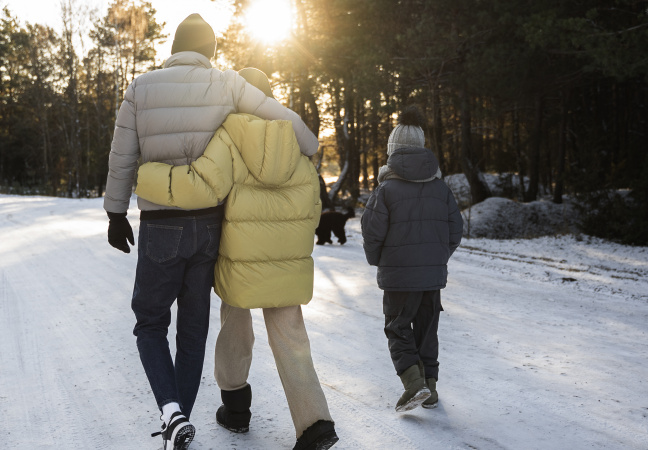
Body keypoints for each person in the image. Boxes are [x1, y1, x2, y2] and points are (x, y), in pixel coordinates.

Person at [103, 14, 319, 450]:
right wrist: (309, 144)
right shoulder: (225, 84)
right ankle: (177, 423)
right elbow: (276, 116)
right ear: (211, 52)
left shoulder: (141, 87)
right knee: (194, 330)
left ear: (174, 48)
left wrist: (115, 211)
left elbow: (122, 153)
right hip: (208, 226)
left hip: (161, 224)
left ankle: (172, 414)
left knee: (150, 322)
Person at [135, 68, 338, 450]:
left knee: (234, 326)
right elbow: (313, 205)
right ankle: (315, 424)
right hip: (286, 259)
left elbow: (203, 185)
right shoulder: (295, 137)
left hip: (238, 256)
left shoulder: (229, 134)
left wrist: (146, 177)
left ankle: (236, 408)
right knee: (292, 337)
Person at [360, 106, 463, 412]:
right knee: (427, 330)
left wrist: (380, 260)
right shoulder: (441, 188)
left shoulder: (386, 189)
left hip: (399, 278)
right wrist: (436, 258)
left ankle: (413, 384)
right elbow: (455, 230)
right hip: (432, 278)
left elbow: (372, 232)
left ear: (392, 151)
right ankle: (430, 388)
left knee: (398, 327)